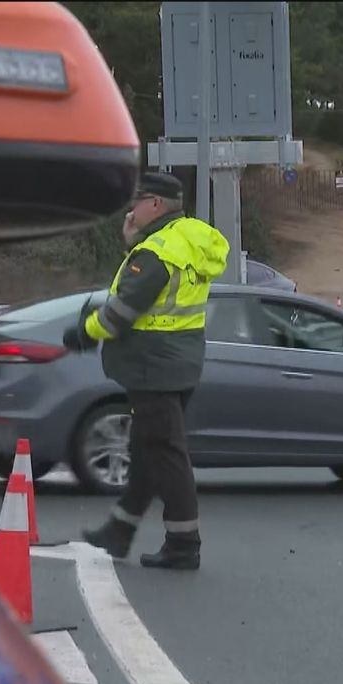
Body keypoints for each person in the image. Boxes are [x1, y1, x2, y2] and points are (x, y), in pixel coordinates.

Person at [63, 172, 229, 570]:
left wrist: (83, 333)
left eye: (137, 203)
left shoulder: (156, 252)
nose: (130, 211)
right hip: (180, 360)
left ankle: (184, 543)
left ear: (155, 205)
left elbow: (121, 312)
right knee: (147, 448)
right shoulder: (189, 239)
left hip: (152, 366)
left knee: (166, 453)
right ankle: (119, 531)